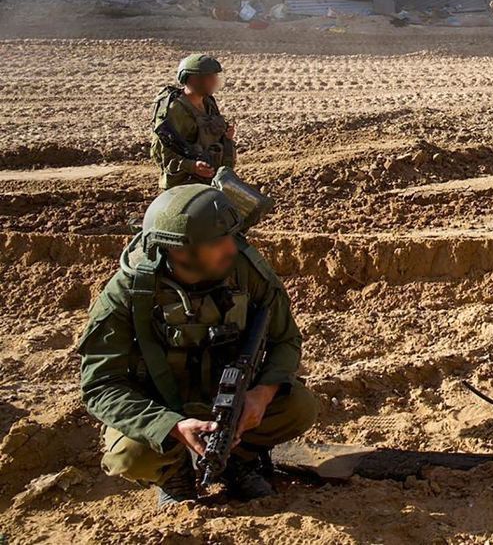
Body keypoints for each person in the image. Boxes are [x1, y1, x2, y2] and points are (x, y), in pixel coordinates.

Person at [78, 185, 317, 506]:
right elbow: (100, 385)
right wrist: (171, 426)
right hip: (160, 406)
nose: (231, 249)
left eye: (231, 237)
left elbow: (285, 340)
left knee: (299, 407)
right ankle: (173, 473)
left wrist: (261, 394)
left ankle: (237, 459)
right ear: (179, 250)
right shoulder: (128, 291)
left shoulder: (244, 270)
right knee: (130, 455)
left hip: (229, 399)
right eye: (218, 243)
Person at [150, 54, 235, 190]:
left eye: (215, 77)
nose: (215, 82)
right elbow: (164, 154)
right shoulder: (176, 110)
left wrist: (227, 137)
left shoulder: (208, 102)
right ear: (194, 80)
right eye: (210, 78)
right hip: (184, 184)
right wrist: (193, 167)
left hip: (209, 179)